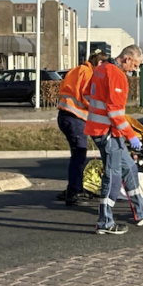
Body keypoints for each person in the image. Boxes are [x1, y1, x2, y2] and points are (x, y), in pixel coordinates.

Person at [84, 45, 143, 235]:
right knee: (113, 176)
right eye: (135, 64)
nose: (135, 69)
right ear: (126, 59)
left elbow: (87, 93)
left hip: (101, 129)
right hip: (108, 132)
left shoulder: (100, 69)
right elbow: (115, 113)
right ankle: (105, 222)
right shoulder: (117, 75)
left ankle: (141, 212)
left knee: (130, 168)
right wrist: (131, 136)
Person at [56, 51, 109, 206]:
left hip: (66, 115)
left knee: (77, 154)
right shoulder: (88, 73)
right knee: (79, 154)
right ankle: (74, 191)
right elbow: (88, 97)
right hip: (75, 117)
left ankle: (74, 187)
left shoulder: (78, 69)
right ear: (99, 63)